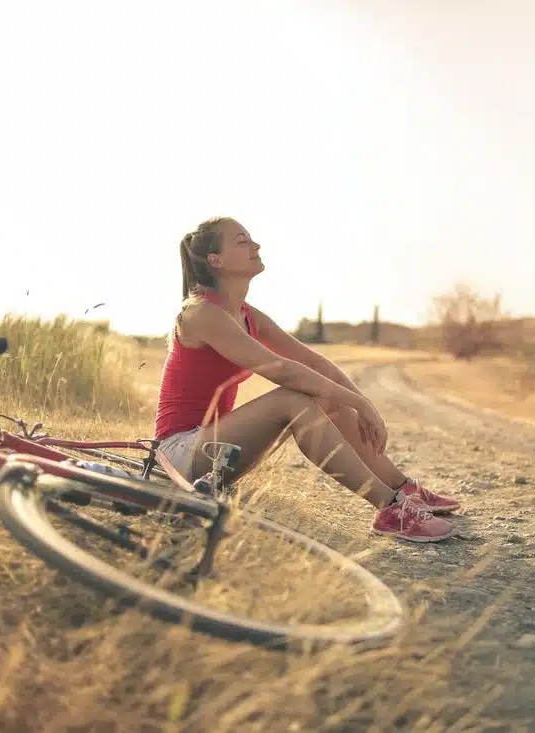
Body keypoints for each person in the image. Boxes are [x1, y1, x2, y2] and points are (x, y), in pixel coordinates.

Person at [153, 216, 459, 543]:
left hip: (216, 453)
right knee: (293, 398)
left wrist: (361, 403)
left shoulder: (246, 314)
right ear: (216, 260)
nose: (255, 245)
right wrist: (357, 402)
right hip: (179, 454)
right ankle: (389, 508)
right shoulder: (201, 313)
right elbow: (282, 369)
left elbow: (312, 360)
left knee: (325, 394)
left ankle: (402, 489)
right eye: (242, 241)